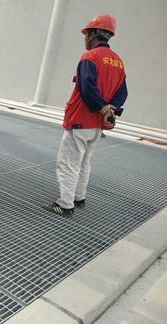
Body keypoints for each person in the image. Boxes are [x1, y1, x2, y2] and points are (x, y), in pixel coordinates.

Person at [43, 13, 128, 217]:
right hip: (97, 125)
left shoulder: (89, 57)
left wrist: (100, 108)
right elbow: (122, 93)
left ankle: (65, 205)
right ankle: (79, 197)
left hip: (81, 120)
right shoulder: (118, 62)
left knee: (68, 163)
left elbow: (86, 88)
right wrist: (109, 110)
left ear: (92, 34)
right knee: (84, 162)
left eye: (85, 34)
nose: (84, 39)